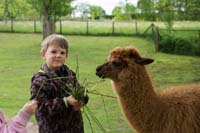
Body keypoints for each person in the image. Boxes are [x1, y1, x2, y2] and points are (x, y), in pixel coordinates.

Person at [30, 34, 88, 133]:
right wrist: (65, 101)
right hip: (52, 129)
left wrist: (83, 100)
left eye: (62, 53)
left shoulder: (70, 74)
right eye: (53, 52)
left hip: (75, 128)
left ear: (66, 56)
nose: (58, 55)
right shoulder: (40, 80)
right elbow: (38, 107)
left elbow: (82, 91)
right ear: (43, 54)